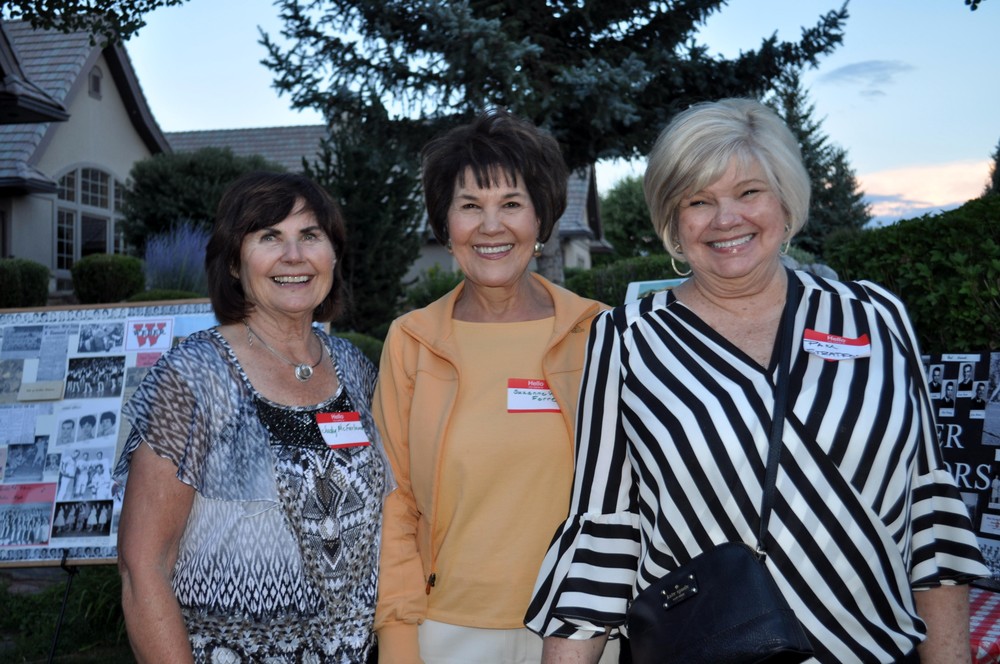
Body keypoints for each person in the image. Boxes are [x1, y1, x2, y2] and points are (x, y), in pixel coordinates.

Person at [526, 98, 988, 663]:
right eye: (698, 201)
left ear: (785, 201)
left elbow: (930, 509)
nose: (726, 219)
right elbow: (603, 534)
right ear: (673, 221)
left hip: (875, 650)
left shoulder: (874, 317)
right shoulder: (625, 339)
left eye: (749, 192)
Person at [115, 171, 392, 663]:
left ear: (333, 255)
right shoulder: (191, 377)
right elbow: (144, 567)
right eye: (269, 237)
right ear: (234, 263)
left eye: (310, 235)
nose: (294, 255)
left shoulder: (355, 369)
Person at [373, 109, 612, 664]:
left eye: (511, 204)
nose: (490, 226)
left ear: (540, 217)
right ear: (445, 223)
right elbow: (394, 501)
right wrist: (399, 637)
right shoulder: (412, 340)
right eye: (469, 206)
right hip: (447, 632)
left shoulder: (598, 332)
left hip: (584, 628)